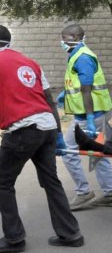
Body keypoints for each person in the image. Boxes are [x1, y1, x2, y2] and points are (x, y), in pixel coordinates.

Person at [0, 25, 84, 252]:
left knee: (3, 182)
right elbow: (48, 98)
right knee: (51, 181)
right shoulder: (30, 63)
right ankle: (71, 234)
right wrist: (57, 134)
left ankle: (14, 239)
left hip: (23, 129)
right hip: (46, 126)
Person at [58, 24, 112, 211]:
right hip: (96, 112)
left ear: (76, 36)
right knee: (98, 153)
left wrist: (91, 119)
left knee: (68, 151)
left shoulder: (82, 57)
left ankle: (84, 192)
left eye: (65, 37)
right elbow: (80, 84)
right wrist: (65, 93)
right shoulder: (77, 54)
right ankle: (110, 194)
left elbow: (87, 89)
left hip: (89, 116)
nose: (62, 41)